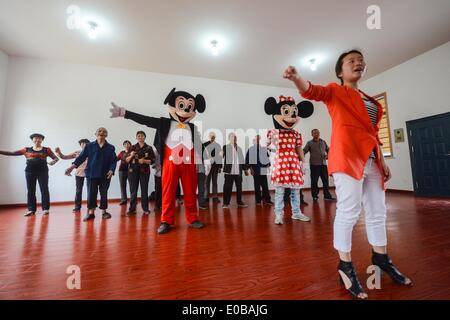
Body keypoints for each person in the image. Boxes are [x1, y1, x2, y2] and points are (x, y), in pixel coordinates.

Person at [283, 49, 412, 299]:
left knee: (377, 212)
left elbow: (373, 134)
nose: (358, 63)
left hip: (372, 160)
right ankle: (345, 265)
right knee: (348, 212)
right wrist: (296, 77)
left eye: (361, 60)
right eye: (351, 61)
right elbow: (311, 91)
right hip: (347, 159)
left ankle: (382, 258)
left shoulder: (370, 101)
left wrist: (382, 159)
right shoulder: (335, 91)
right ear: (340, 71)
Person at [110, 88, 206, 234]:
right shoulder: (164, 123)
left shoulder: (192, 127)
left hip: (188, 163)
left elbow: (198, 145)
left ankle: (193, 218)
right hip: (170, 162)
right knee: (167, 191)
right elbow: (145, 120)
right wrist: (125, 113)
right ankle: (166, 221)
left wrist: (206, 160)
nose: (186, 110)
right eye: (182, 106)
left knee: (191, 191)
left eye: (189, 107)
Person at [264, 95, 313, 224]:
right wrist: (265, 148)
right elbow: (266, 144)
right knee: (279, 191)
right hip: (280, 162)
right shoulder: (273, 132)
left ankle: (296, 213)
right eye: (286, 112)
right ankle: (279, 214)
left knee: (296, 190)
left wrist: (304, 162)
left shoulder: (296, 134)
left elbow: (299, 149)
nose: (292, 116)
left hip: (294, 162)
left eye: (294, 112)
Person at [65, 127, 117, 221]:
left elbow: (113, 161)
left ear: (106, 135)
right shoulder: (89, 146)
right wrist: (71, 167)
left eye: (104, 131)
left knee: (104, 193)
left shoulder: (111, 147)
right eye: (99, 131)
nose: (101, 132)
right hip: (91, 174)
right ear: (95, 134)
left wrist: (112, 170)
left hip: (105, 175)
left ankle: (104, 212)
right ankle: (91, 213)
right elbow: (81, 158)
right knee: (91, 194)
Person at [0, 133, 58, 216]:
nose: (37, 139)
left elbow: (56, 158)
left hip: (43, 172)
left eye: (39, 138)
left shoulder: (46, 149)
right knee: (31, 190)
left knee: (44, 190)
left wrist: (53, 161)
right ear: (32, 140)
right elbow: (12, 153)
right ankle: (31, 210)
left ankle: (45, 209)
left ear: (42, 140)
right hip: (30, 172)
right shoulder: (26, 149)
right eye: (35, 138)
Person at [55, 139, 90, 212]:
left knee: (90, 190)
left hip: (89, 173)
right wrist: (59, 152)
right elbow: (64, 157)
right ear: (80, 145)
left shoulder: (92, 152)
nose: (84, 144)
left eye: (85, 143)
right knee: (78, 190)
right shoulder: (77, 152)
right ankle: (77, 207)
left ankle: (90, 206)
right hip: (79, 173)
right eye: (82, 143)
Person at [126, 131, 155, 216]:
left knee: (144, 190)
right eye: (138, 136)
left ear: (144, 137)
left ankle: (145, 209)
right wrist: (131, 155)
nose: (140, 137)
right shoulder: (132, 147)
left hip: (144, 172)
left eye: (142, 135)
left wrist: (145, 161)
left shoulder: (149, 148)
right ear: (136, 137)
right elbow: (126, 160)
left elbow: (152, 161)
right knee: (133, 191)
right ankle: (132, 209)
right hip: (133, 172)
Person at [303, 129, 335, 201]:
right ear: (312, 134)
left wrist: (328, 156)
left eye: (317, 132)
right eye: (314, 133)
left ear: (319, 133)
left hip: (323, 164)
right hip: (314, 165)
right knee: (314, 181)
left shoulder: (323, 142)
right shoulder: (309, 143)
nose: (316, 134)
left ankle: (327, 195)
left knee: (325, 181)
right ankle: (315, 196)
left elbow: (328, 150)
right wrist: (299, 157)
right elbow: (304, 151)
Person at [222, 132, 248, 209]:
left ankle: (239, 202)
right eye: (232, 137)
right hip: (229, 172)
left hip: (238, 172)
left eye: (235, 137)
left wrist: (245, 170)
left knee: (239, 187)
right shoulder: (225, 147)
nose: (234, 138)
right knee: (227, 188)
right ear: (229, 138)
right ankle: (225, 203)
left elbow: (242, 160)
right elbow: (221, 155)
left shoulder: (239, 148)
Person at [245, 135, 273, 206]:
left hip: (263, 169)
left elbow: (266, 157)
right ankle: (258, 200)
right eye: (256, 140)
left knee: (265, 185)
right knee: (257, 186)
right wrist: (250, 169)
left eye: (258, 140)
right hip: (255, 169)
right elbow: (248, 160)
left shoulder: (262, 148)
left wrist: (268, 166)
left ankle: (267, 199)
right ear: (253, 141)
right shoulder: (251, 149)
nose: (257, 141)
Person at [203, 131, 222, 203]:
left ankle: (215, 197)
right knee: (206, 182)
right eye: (211, 136)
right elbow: (203, 155)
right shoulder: (204, 145)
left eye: (213, 136)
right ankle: (206, 197)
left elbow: (220, 157)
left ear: (215, 137)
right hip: (207, 166)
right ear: (209, 136)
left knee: (215, 182)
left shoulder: (218, 145)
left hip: (215, 166)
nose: (212, 137)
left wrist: (220, 167)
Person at [116, 140, 132, 205]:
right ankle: (123, 199)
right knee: (122, 185)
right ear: (123, 145)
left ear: (130, 145)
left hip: (131, 171)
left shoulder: (133, 152)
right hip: (122, 170)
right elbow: (116, 159)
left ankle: (133, 200)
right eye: (125, 144)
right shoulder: (121, 152)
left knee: (132, 185)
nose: (127, 145)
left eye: (128, 144)